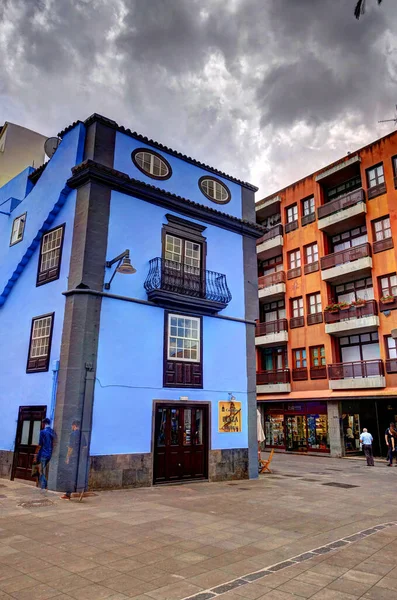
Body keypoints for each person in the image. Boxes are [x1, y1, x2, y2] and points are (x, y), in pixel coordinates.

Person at [60, 420, 87, 500]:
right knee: (78, 473)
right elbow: (84, 446)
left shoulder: (72, 434)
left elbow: (70, 448)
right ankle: (82, 488)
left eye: (72, 426)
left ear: (74, 425)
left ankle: (68, 494)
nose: (72, 427)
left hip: (73, 457)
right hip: (79, 457)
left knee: (69, 475)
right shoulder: (82, 434)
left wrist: (67, 457)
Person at [35, 418, 55, 492]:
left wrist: (36, 453)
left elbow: (40, 444)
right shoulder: (52, 432)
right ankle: (44, 485)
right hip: (49, 454)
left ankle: (44, 486)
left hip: (43, 453)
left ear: (44, 423)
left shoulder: (42, 432)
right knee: (43, 469)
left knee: (41, 470)